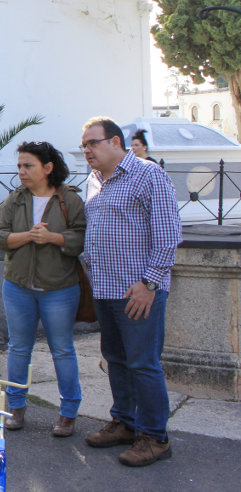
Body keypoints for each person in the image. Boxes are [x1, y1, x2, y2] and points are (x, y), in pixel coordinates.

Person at [80, 116, 182, 467]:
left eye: (92, 143)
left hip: (139, 291)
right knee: (117, 361)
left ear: (115, 142)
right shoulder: (93, 180)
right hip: (106, 289)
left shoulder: (148, 174)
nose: (87, 150)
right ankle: (125, 422)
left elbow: (168, 235)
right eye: (84, 145)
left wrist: (150, 283)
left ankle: (155, 437)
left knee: (143, 364)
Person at [0, 141, 85, 437]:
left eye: (28, 165)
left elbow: (81, 239)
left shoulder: (69, 200)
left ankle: (68, 414)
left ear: (48, 168)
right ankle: (16, 408)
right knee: (19, 348)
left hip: (59, 288)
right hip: (18, 286)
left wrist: (53, 238)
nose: (22, 172)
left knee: (62, 350)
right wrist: (28, 237)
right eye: (19, 166)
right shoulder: (15, 199)